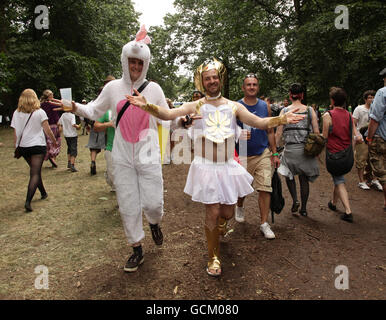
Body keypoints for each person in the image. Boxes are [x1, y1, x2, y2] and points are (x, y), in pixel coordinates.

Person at [126, 58, 304, 277]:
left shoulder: (234, 106)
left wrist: (282, 118)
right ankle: (213, 258)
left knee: (227, 212)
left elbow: (259, 123)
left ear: (219, 80)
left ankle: (221, 226)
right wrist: (147, 106)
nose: (211, 81)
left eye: (214, 77)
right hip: (206, 166)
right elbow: (168, 114)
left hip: (228, 167)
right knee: (212, 210)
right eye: (207, 78)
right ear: (202, 82)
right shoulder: (196, 106)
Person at [56, 25, 169, 273]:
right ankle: (136, 248)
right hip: (122, 155)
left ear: (146, 64)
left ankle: (154, 223)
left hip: (148, 153)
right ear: (125, 61)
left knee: (153, 204)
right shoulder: (113, 88)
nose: (136, 68)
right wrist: (74, 106)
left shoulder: (154, 89)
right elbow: (94, 111)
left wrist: (185, 121)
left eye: (140, 63)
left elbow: (166, 118)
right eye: (132, 63)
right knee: (127, 204)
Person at [234, 73, 280, 240]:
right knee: (242, 187)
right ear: (243, 87)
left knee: (265, 187)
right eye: (248, 84)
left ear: (257, 87)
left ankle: (264, 223)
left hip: (262, 153)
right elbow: (229, 130)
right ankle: (240, 206)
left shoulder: (264, 106)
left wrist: (274, 152)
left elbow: (270, 130)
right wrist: (237, 135)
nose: (251, 87)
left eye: (254, 84)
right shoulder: (236, 106)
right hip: (243, 155)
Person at [275, 83, 320, 217]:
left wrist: (275, 151)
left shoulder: (284, 111)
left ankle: (295, 199)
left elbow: (278, 133)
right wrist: (316, 151)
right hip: (306, 150)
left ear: (290, 95)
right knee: (304, 179)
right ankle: (304, 208)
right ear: (302, 95)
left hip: (290, 149)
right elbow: (317, 132)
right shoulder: (310, 110)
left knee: (289, 175)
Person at [11, 89, 57, 212]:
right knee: (35, 173)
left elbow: (16, 132)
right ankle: (28, 201)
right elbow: (47, 130)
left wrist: (16, 146)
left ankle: (43, 193)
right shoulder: (40, 112)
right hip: (37, 146)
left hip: (24, 147)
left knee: (34, 171)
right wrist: (54, 141)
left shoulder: (16, 113)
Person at [322, 87, 355, 222]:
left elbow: (324, 136)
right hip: (347, 156)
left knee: (339, 181)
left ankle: (348, 211)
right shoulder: (349, 115)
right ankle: (333, 203)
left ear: (332, 100)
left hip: (334, 156)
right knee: (338, 178)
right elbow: (353, 135)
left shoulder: (328, 115)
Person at [353, 90, 382, 191]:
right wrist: (357, 136)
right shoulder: (359, 109)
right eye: (369, 97)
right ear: (365, 99)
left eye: (373, 97)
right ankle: (361, 181)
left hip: (375, 138)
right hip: (362, 138)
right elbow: (353, 123)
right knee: (361, 160)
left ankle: (375, 179)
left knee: (374, 159)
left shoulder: (377, 109)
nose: (372, 99)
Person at [367, 67, 386, 210]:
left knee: (381, 171)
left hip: (381, 137)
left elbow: (375, 119)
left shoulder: (382, 93)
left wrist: (369, 138)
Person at [93, 110, 115, 191]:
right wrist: (109, 124)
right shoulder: (107, 112)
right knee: (112, 176)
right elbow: (96, 126)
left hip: (127, 148)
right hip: (111, 147)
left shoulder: (129, 108)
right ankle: (109, 176)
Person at [40, 89, 62, 168]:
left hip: (45, 126)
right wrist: (59, 124)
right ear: (49, 96)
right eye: (52, 95)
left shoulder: (41, 105)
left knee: (48, 142)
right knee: (56, 141)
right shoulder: (51, 104)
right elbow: (60, 106)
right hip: (53, 125)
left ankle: (51, 157)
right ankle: (52, 157)